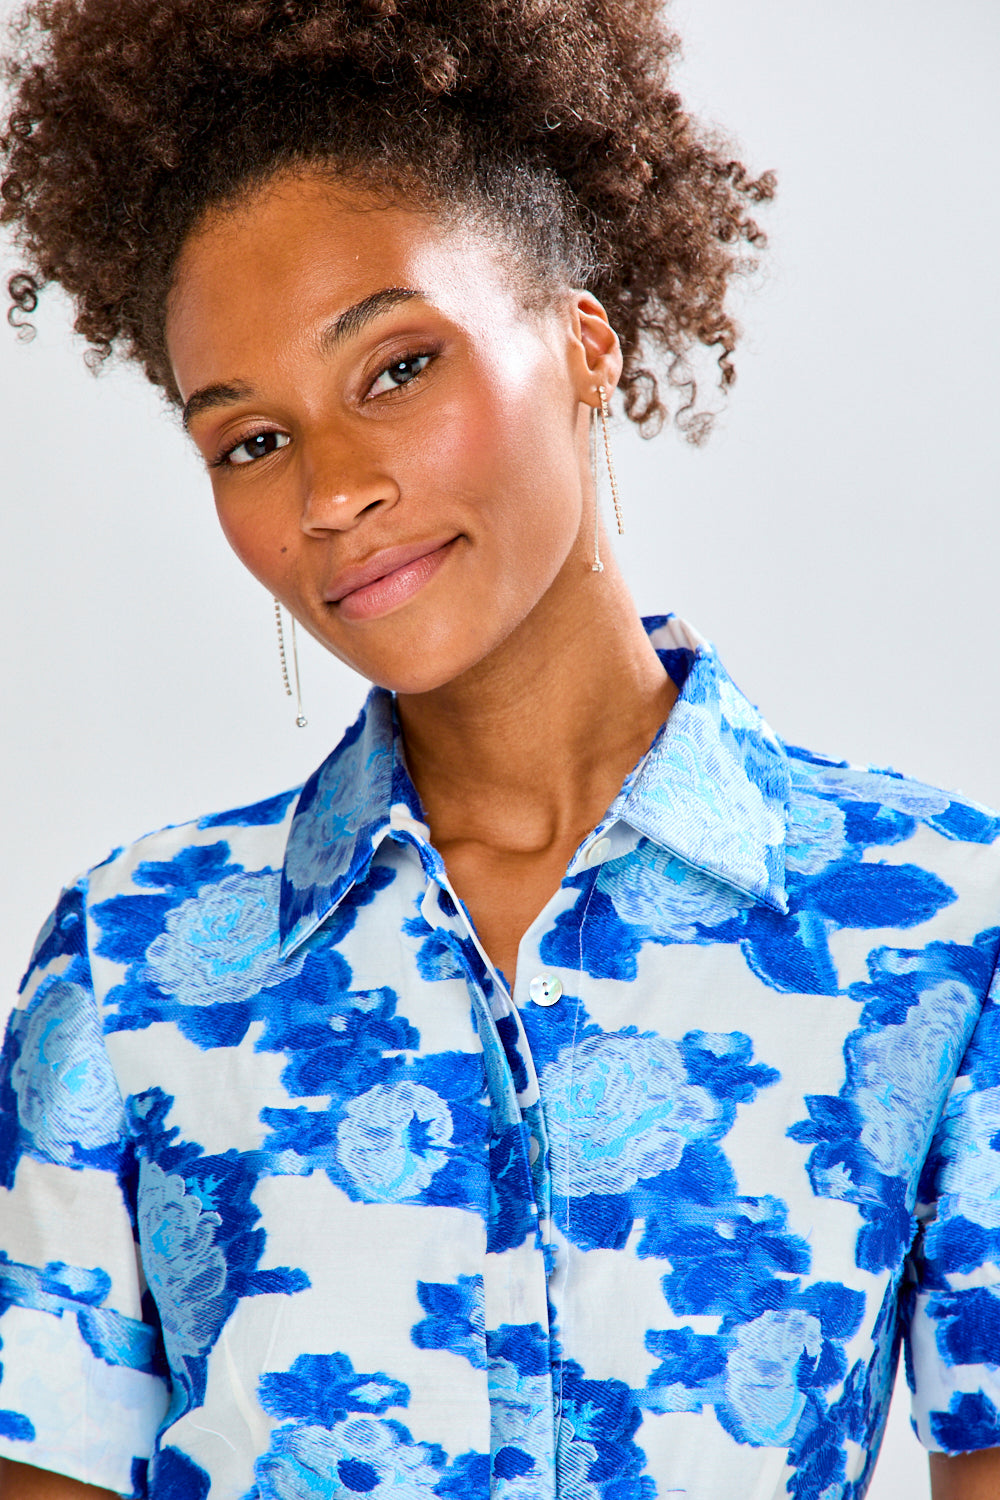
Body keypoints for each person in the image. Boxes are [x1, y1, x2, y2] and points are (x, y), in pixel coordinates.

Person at [0, 2, 998, 1497]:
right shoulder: (131, 961)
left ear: (585, 342)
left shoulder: (939, 922)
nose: (333, 492)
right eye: (251, 442)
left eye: (397, 367)